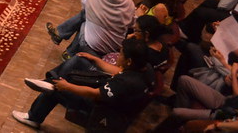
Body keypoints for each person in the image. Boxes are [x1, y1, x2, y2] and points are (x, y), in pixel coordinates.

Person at [12, 37, 153, 129]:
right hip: (109, 93)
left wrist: (68, 87)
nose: (118, 56)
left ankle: (33, 117)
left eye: (121, 54)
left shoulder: (125, 83)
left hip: (101, 110)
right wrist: (96, 60)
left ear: (129, 61)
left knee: (56, 89)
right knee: (80, 60)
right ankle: (50, 81)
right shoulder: (145, 68)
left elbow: (94, 94)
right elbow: (118, 71)